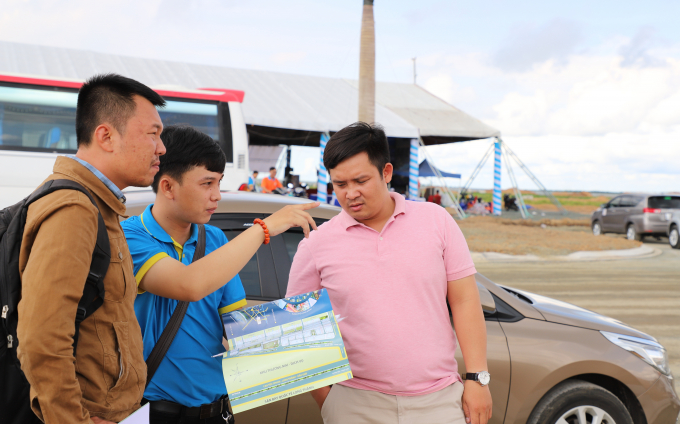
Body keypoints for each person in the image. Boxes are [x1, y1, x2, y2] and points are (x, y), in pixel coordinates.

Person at [286, 122, 492, 424]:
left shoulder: (436, 221)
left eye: (360, 180)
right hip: (355, 404)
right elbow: (296, 328)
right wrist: (328, 400)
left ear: (386, 172)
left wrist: (477, 379)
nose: (351, 193)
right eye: (340, 184)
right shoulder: (316, 244)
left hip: (439, 401)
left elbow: (465, 301)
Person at [122, 125, 319, 424]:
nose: (216, 195)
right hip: (150, 412)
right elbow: (188, 284)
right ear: (168, 187)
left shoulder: (214, 239)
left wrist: (312, 333)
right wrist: (264, 228)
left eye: (219, 183)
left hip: (215, 411)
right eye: (207, 183)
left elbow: (239, 328)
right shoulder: (129, 237)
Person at [16, 73, 167, 424]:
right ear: (106, 136)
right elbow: (41, 340)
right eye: (152, 134)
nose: (161, 148)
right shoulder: (75, 209)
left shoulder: (101, 207)